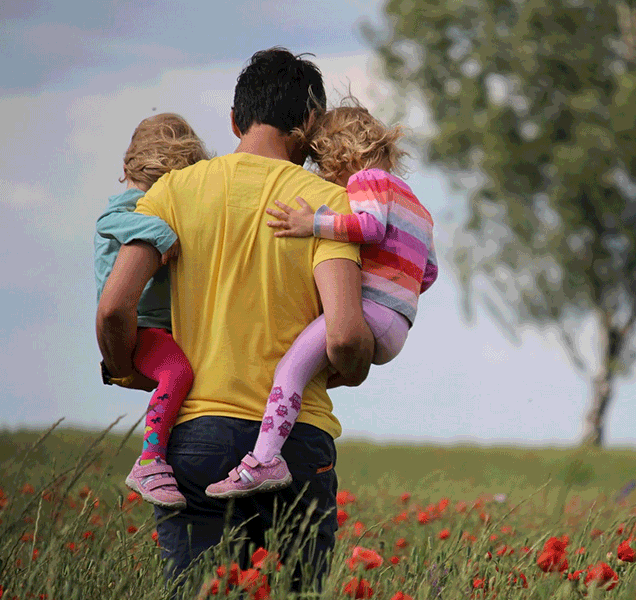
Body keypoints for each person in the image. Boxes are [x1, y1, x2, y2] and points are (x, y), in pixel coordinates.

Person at [96, 47, 374, 588]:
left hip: (195, 437)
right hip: (295, 442)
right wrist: (355, 364)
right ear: (310, 124)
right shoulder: (327, 204)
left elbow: (113, 306)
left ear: (233, 120)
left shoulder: (172, 192)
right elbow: (343, 336)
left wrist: (126, 367)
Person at [205, 103, 438, 498]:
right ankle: (278, 441)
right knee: (310, 370)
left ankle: (264, 460)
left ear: (341, 153)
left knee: (290, 368)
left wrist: (311, 223)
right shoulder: (417, 205)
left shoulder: (368, 180)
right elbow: (428, 272)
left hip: (370, 312)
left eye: (323, 164)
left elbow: (369, 227)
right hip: (399, 324)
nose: (326, 176)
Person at [94, 113, 209, 509]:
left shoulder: (148, 201)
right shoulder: (132, 205)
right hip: (141, 327)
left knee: (183, 375)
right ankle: (150, 460)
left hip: (159, 327)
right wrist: (163, 234)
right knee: (178, 372)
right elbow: (110, 220)